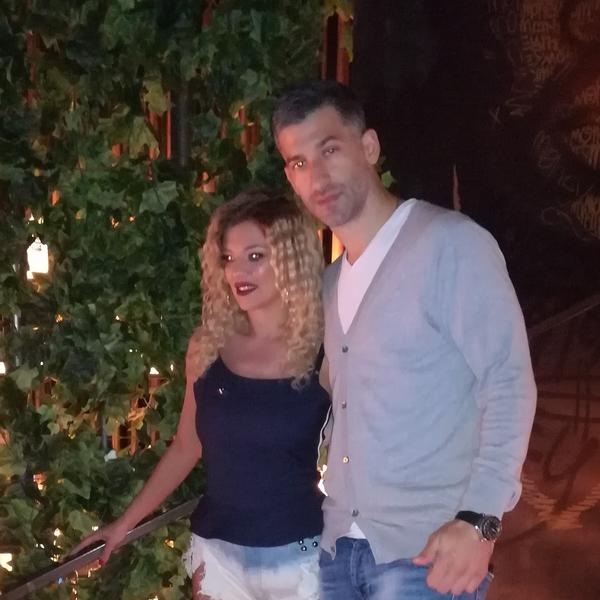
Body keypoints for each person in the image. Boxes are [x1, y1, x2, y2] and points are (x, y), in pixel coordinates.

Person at [271, 80, 537, 600]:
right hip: (339, 552)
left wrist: (480, 520)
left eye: (329, 150)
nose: (317, 176)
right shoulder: (330, 284)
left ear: (368, 146)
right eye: (299, 163)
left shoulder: (449, 245)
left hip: (427, 553)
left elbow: (508, 383)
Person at [72, 188, 330, 600]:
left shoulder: (327, 349)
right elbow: (185, 447)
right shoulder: (208, 346)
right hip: (218, 552)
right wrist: (124, 524)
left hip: (299, 555)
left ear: (291, 259)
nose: (238, 271)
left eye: (255, 256)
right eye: (228, 258)